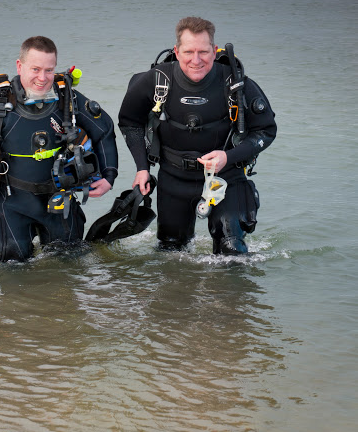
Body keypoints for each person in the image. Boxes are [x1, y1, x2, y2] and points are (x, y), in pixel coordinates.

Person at [0, 36, 118, 261]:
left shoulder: (68, 99)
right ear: (19, 66)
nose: (42, 78)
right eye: (35, 69)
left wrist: (108, 176)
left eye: (49, 70)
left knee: (68, 265)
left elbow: (104, 130)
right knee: (13, 265)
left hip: (59, 201)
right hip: (12, 202)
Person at [118, 16, 276, 254]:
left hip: (226, 179)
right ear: (177, 51)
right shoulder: (156, 80)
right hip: (173, 178)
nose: (196, 60)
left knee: (231, 250)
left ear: (214, 51)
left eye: (203, 52)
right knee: (170, 252)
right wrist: (142, 168)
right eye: (188, 51)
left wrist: (228, 157)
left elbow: (266, 130)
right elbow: (129, 123)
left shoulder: (236, 83)